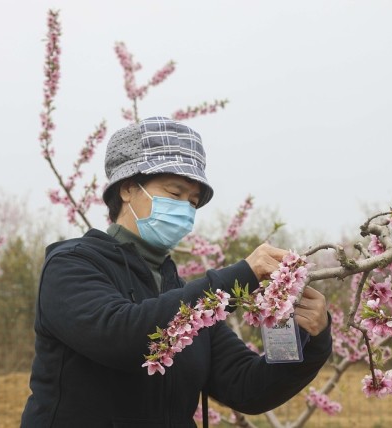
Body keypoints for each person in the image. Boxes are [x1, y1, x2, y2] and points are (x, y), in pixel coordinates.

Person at [21, 116, 332, 427]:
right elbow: (122, 336)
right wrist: (240, 276)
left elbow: (248, 388)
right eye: (175, 193)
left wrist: (311, 339)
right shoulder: (71, 265)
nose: (185, 208)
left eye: (193, 201)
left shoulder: (182, 293)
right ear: (129, 188)